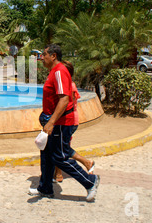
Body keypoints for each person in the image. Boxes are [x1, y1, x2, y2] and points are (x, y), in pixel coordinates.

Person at [29, 44, 100, 202]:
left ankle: (90, 182)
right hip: (54, 121)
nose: (42, 58)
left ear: (53, 56)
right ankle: (45, 188)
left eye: (44, 55)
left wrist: (51, 122)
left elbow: (64, 99)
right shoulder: (53, 72)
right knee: (46, 156)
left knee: (59, 157)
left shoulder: (60, 71)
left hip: (61, 123)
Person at [53, 60, 94, 183]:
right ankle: (58, 173)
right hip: (70, 120)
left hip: (67, 121)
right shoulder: (70, 84)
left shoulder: (68, 85)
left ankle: (85, 163)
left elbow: (65, 104)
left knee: (60, 148)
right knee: (60, 147)